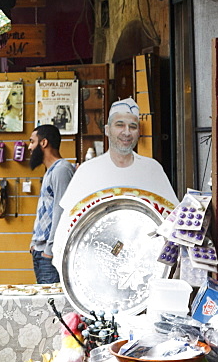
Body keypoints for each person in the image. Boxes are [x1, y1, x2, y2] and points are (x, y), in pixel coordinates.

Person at [52, 98, 179, 275]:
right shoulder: (88, 171)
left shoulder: (152, 170)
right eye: (120, 125)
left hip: (144, 270)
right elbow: (66, 227)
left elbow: (172, 221)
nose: (126, 132)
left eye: (133, 127)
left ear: (138, 132)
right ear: (107, 130)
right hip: (95, 270)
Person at [27, 125, 75, 284]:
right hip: (40, 251)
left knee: (52, 304)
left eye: (32, 142)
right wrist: (34, 244)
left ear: (44, 143)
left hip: (50, 254)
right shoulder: (50, 171)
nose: (29, 147)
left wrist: (50, 249)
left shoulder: (62, 170)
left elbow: (61, 212)